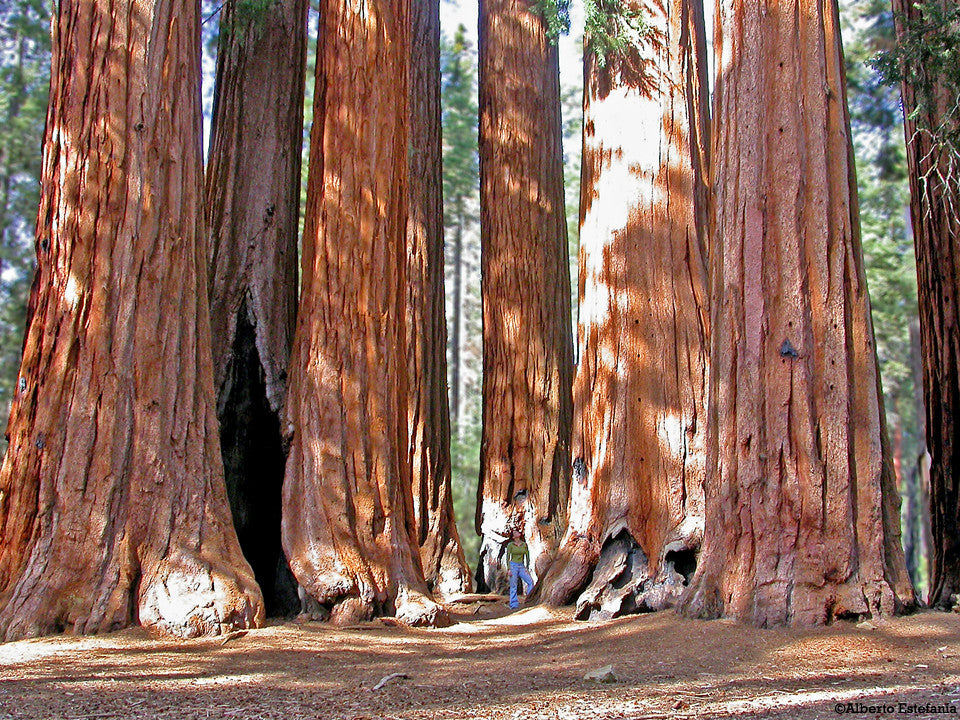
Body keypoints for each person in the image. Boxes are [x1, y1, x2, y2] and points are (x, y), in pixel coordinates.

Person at [505, 529, 534, 609]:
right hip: (513, 566)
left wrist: (527, 567)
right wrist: (508, 569)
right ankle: (513, 604)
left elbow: (527, 556)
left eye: (517, 532)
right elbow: (508, 557)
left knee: (530, 582)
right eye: (515, 532)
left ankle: (529, 600)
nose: (517, 533)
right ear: (513, 537)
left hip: (521, 566)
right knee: (514, 585)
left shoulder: (524, 544)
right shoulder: (510, 545)